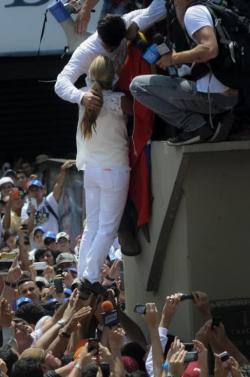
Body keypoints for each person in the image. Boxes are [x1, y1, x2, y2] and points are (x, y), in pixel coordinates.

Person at [130, 0, 239, 145]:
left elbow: (210, 49)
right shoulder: (207, 8)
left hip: (215, 97)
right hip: (228, 93)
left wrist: (174, 59)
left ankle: (195, 126)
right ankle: (215, 118)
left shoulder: (193, 13)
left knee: (138, 86)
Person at [74, 55, 131, 290]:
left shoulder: (83, 98)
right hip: (114, 171)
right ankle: (92, 276)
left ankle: (82, 274)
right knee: (107, 228)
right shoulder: (119, 100)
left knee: (92, 226)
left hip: (92, 171)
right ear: (113, 75)